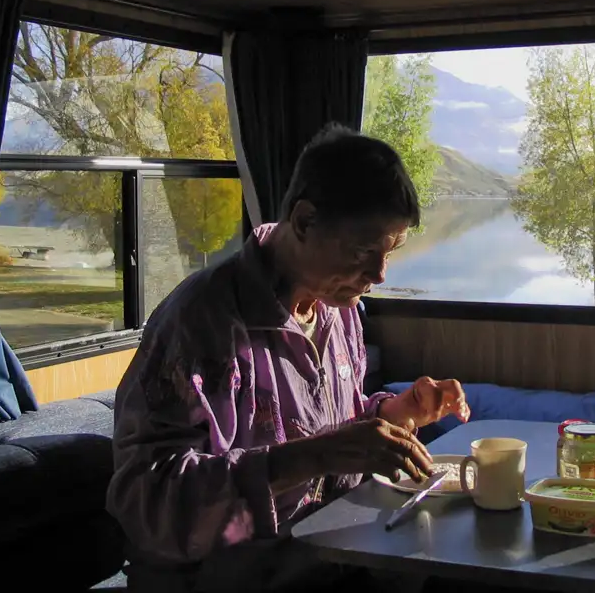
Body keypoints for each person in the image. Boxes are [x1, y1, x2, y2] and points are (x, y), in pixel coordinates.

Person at [108, 124, 471, 592]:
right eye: (364, 250)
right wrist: (310, 458)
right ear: (303, 221)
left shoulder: (338, 310)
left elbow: (328, 424)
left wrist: (395, 415)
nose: (379, 274)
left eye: (390, 252)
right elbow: (147, 503)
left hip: (330, 557)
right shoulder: (199, 324)